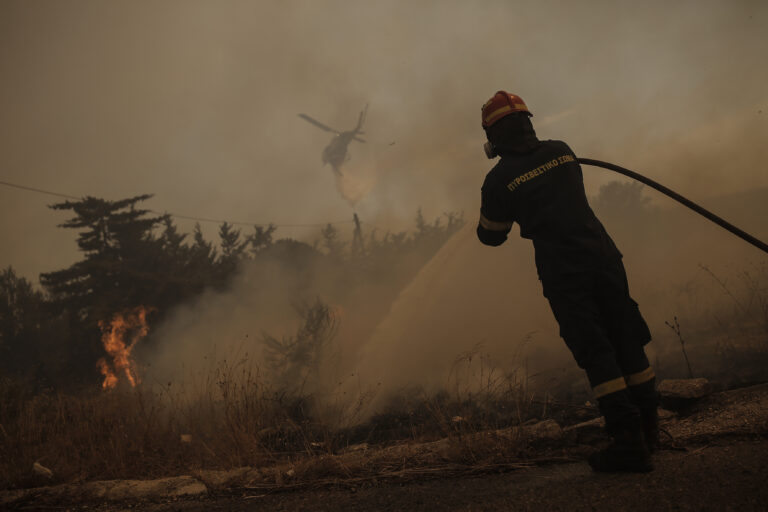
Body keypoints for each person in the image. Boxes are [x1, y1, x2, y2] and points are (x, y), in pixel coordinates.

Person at [476, 91, 658, 472]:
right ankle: (650, 429)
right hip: (605, 257)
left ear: (493, 137)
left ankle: (627, 442)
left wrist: (499, 206)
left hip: (566, 273)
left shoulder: (499, 179)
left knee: (596, 350)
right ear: (528, 123)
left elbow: (492, 235)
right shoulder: (562, 150)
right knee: (625, 336)